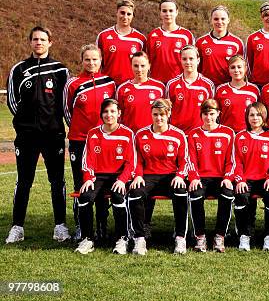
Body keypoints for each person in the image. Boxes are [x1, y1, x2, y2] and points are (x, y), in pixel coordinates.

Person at [5, 26, 70, 244]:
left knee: (57, 181)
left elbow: (64, 103)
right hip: (27, 136)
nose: (38, 42)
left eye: (43, 39)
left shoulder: (60, 70)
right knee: (23, 181)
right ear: (30, 42)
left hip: (53, 135)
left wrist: (58, 125)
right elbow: (12, 102)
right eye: (35, 39)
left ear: (50, 42)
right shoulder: (19, 69)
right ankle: (17, 227)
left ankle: (60, 225)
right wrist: (25, 125)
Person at [64, 44, 116, 240]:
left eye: (95, 59)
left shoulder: (109, 83)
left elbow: (113, 112)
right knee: (80, 184)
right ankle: (81, 226)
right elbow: (67, 111)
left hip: (103, 141)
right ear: (82, 60)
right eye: (87, 59)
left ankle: (102, 225)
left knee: (100, 184)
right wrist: (80, 130)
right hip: (79, 140)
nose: (91, 63)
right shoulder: (73, 84)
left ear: (101, 60)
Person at [129, 99, 190, 255]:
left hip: (170, 176)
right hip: (148, 176)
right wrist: (137, 176)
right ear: (151, 114)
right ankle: (140, 238)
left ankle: (180, 237)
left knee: (181, 191)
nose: (158, 118)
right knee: (135, 193)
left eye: (162, 114)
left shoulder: (178, 135)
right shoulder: (141, 134)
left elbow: (184, 160)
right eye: (155, 114)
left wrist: (180, 176)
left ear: (168, 114)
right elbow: (137, 160)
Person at [74, 99, 135, 255]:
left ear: (119, 113)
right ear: (101, 114)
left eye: (113, 111)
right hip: (98, 176)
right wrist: (88, 177)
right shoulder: (93, 133)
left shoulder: (127, 134)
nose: (109, 115)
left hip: (118, 176)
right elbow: (87, 160)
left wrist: (122, 180)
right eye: (106, 111)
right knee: (84, 197)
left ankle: (122, 238)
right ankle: (87, 239)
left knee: (118, 196)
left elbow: (130, 162)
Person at [229, 102, 269, 251]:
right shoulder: (240, 137)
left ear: (264, 116)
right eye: (251, 115)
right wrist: (240, 180)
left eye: (258, 114)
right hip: (246, 178)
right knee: (242, 195)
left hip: (265, 178)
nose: (255, 118)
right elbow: (236, 161)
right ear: (247, 117)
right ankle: (245, 235)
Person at [187, 99, 235, 253]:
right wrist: (194, 177)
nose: (209, 118)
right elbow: (190, 159)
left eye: (212, 114)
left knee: (227, 194)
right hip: (201, 177)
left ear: (218, 114)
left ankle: (220, 236)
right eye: (205, 114)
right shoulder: (193, 134)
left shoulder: (228, 133)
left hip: (221, 177)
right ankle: (200, 236)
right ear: (201, 115)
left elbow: (232, 160)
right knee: (195, 194)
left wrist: (228, 178)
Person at [145, 0, 195, 84]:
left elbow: (193, 62)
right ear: (160, 12)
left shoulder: (186, 35)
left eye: (171, 11)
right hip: (157, 82)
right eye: (164, 11)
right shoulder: (153, 35)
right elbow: (147, 61)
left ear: (177, 12)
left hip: (179, 83)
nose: (168, 14)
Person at [96, 0, 146, 84]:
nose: (125, 16)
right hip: (108, 84)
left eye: (129, 14)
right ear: (117, 13)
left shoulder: (140, 39)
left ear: (133, 16)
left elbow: (145, 66)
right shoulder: (103, 36)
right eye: (122, 13)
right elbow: (96, 64)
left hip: (131, 86)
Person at [166, 45, 215, 133]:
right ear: (180, 60)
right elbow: (167, 112)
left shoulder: (208, 85)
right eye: (184, 59)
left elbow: (212, 113)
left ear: (198, 60)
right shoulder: (172, 84)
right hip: (177, 133)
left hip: (200, 133)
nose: (188, 62)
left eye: (191, 59)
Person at [116, 51, 165, 132]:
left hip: (153, 135)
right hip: (131, 135)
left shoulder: (159, 87)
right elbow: (119, 117)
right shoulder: (122, 89)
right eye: (136, 66)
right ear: (131, 66)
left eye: (143, 66)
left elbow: (165, 114)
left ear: (149, 66)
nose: (139, 69)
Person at [195, 5, 245, 86]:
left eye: (223, 19)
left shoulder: (237, 43)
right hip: (206, 86)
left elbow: (241, 68)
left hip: (228, 87)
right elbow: (197, 67)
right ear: (211, 20)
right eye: (216, 19)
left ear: (228, 20)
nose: (219, 22)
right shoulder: (200, 42)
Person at [215, 55, 261, 132]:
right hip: (226, 132)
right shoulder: (220, 89)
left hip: (248, 133)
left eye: (239, 67)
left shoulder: (254, 89)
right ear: (229, 70)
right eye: (233, 67)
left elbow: (260, 113)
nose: (236, 70)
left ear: (245, 69)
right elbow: (215, 113)